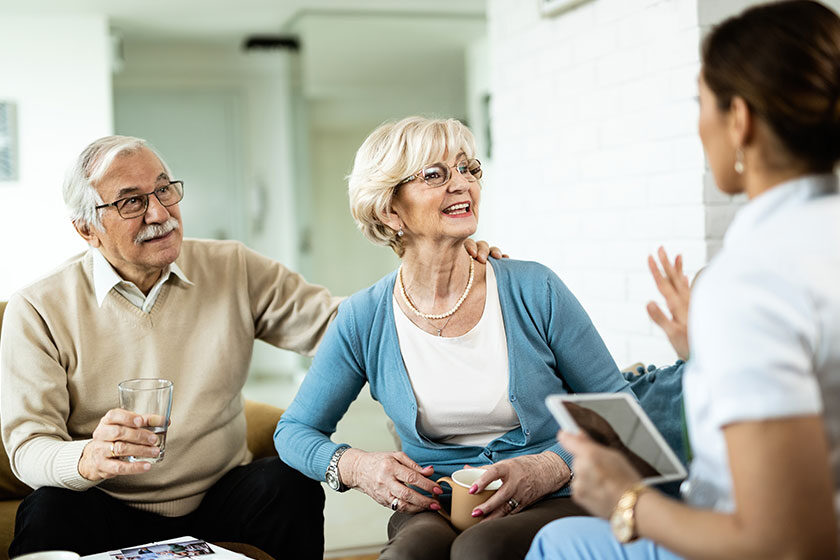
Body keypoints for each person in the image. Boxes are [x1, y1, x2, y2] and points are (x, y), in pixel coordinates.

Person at [0, 135, 498, 558]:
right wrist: (88, 458)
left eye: (165, 190)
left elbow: (340, 323)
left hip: (219, 497)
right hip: (104, 504)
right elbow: (27, 446)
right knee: (48, 508)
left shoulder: (231, 267)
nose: (160, 213)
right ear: (86, 228)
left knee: (289, 483)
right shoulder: (40, 307)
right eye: (131, 201)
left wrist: (448, 276)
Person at [527, 1, 840, 558]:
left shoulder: (748, 281)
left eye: (701, 104)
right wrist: (709, 352)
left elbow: (788, 542)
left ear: (739, 119)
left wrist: (626, 500)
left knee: (557, 542)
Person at [274, 116, 633, 560]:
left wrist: (550, 465)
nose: (461, 184)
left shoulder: (533, 288)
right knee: (412, 555)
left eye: (468, 169)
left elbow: (618, 409)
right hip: (436, 500)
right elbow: (293, 431)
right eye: (434, 174)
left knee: (480, 550)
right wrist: (357, 466)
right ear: (390, 210)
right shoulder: (364, 316)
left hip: (555, 493)